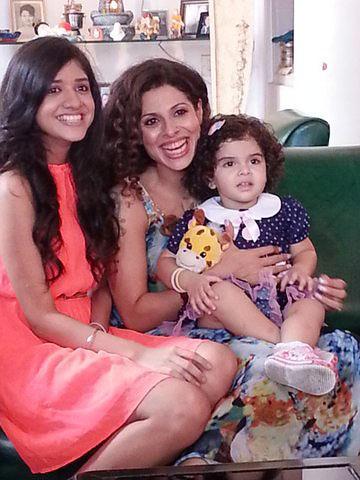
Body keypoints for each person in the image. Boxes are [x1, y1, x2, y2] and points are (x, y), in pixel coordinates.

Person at [0, 38, 237, 475]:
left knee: (218, 362)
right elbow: (37, 314)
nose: (73, 101)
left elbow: (99, 280)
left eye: (82, 87)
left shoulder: (88, 172)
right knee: (182, 406)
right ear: (26, 97)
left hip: (81, 331)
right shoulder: (14, 185)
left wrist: (100, 333)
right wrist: (132, 354)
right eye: (53, 90)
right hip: (31, 348)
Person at [104, 58, 360, 464]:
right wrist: (222, 273)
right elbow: (135, 315)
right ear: (135, 131)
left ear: (200, 112)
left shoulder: (228, 178)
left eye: (180, 112)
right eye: (151, 121)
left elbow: (293, 255)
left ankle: (303, 458)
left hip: (264, 318)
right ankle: (209, 458)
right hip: (180, 337)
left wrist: (307, 284)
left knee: (343, 348)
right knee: (266, 371)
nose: (171, 132)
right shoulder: (131, 201)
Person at [157, 113, 337, 396]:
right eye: (230, 164)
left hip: (280, 296)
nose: (244, 171)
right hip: (227, 309)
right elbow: (164, 264)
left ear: (267, 165)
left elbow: (305, 250)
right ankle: (285, 347)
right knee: (220, 293)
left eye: (254, 161)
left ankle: (295, 352)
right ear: (210, 177)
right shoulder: (202, 219)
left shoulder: (283, 210)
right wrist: (190, 281)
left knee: (311, 305)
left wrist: (300, 271)